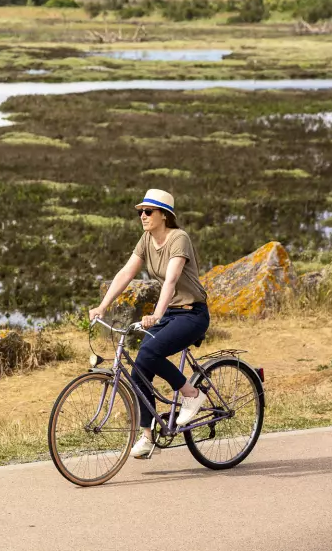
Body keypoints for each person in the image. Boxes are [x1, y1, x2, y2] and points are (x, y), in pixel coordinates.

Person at [88, 189, 210, 459]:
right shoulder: (146, 240)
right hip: (170, 314)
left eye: (148, 211)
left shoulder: (179, 238)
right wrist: (103, 306)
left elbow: (171, 279)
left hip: (192, 313)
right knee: (141, 366)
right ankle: (147, 436)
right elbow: (126, 273)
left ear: (164, 215)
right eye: (140, 212)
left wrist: (155, 313)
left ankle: (192, 394)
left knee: (150, 353)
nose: (142, 216)